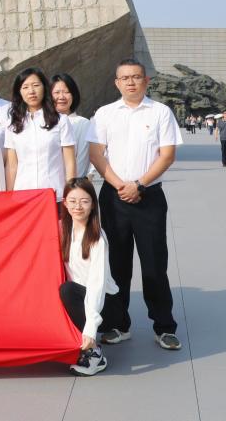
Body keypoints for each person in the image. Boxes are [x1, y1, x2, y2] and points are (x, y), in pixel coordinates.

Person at [89, 58, 182, 352]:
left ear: (146, 81)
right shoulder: (104, 114)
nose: (131, 82)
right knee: (116, 263)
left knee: (154, 263)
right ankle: (117, 324)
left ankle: (164, 326)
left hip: (149, 196)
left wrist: (139, 184)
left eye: (136, 77)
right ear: (117, 83)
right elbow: (96, 154)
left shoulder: (160, 112)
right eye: (125, 78)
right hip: (113, 196)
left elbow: (167, 155)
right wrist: (121, 185)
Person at [59, 177, 118, 376]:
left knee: (67, 290)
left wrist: (91, 328)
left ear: (93, 205)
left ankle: (95, 354)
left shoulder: (97, 238)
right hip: (79, 297)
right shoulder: (61, 229)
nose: (78, 206)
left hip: (103, 304)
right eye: (73, 201)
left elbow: (96, 285)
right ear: (64, 203)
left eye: (84, 201)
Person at [4, 68, 76, 203]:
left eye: (36, 85)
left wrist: (71, 194)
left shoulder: (60, 121)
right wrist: (9, 196)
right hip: (23, 196)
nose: (31, 91)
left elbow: (70, 162)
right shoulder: (12, 125)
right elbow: (12, 165)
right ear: (19, 92)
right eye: (25, 87)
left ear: (45, 88)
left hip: (54, 194)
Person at [52, 73, 95, 178]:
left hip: (71, 184)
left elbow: (81, 161)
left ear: (74, 95)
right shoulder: (41, 123)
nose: (61, 97)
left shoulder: (83, 124)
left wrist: (72, 184)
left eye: (67, 92)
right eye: (57, 92)